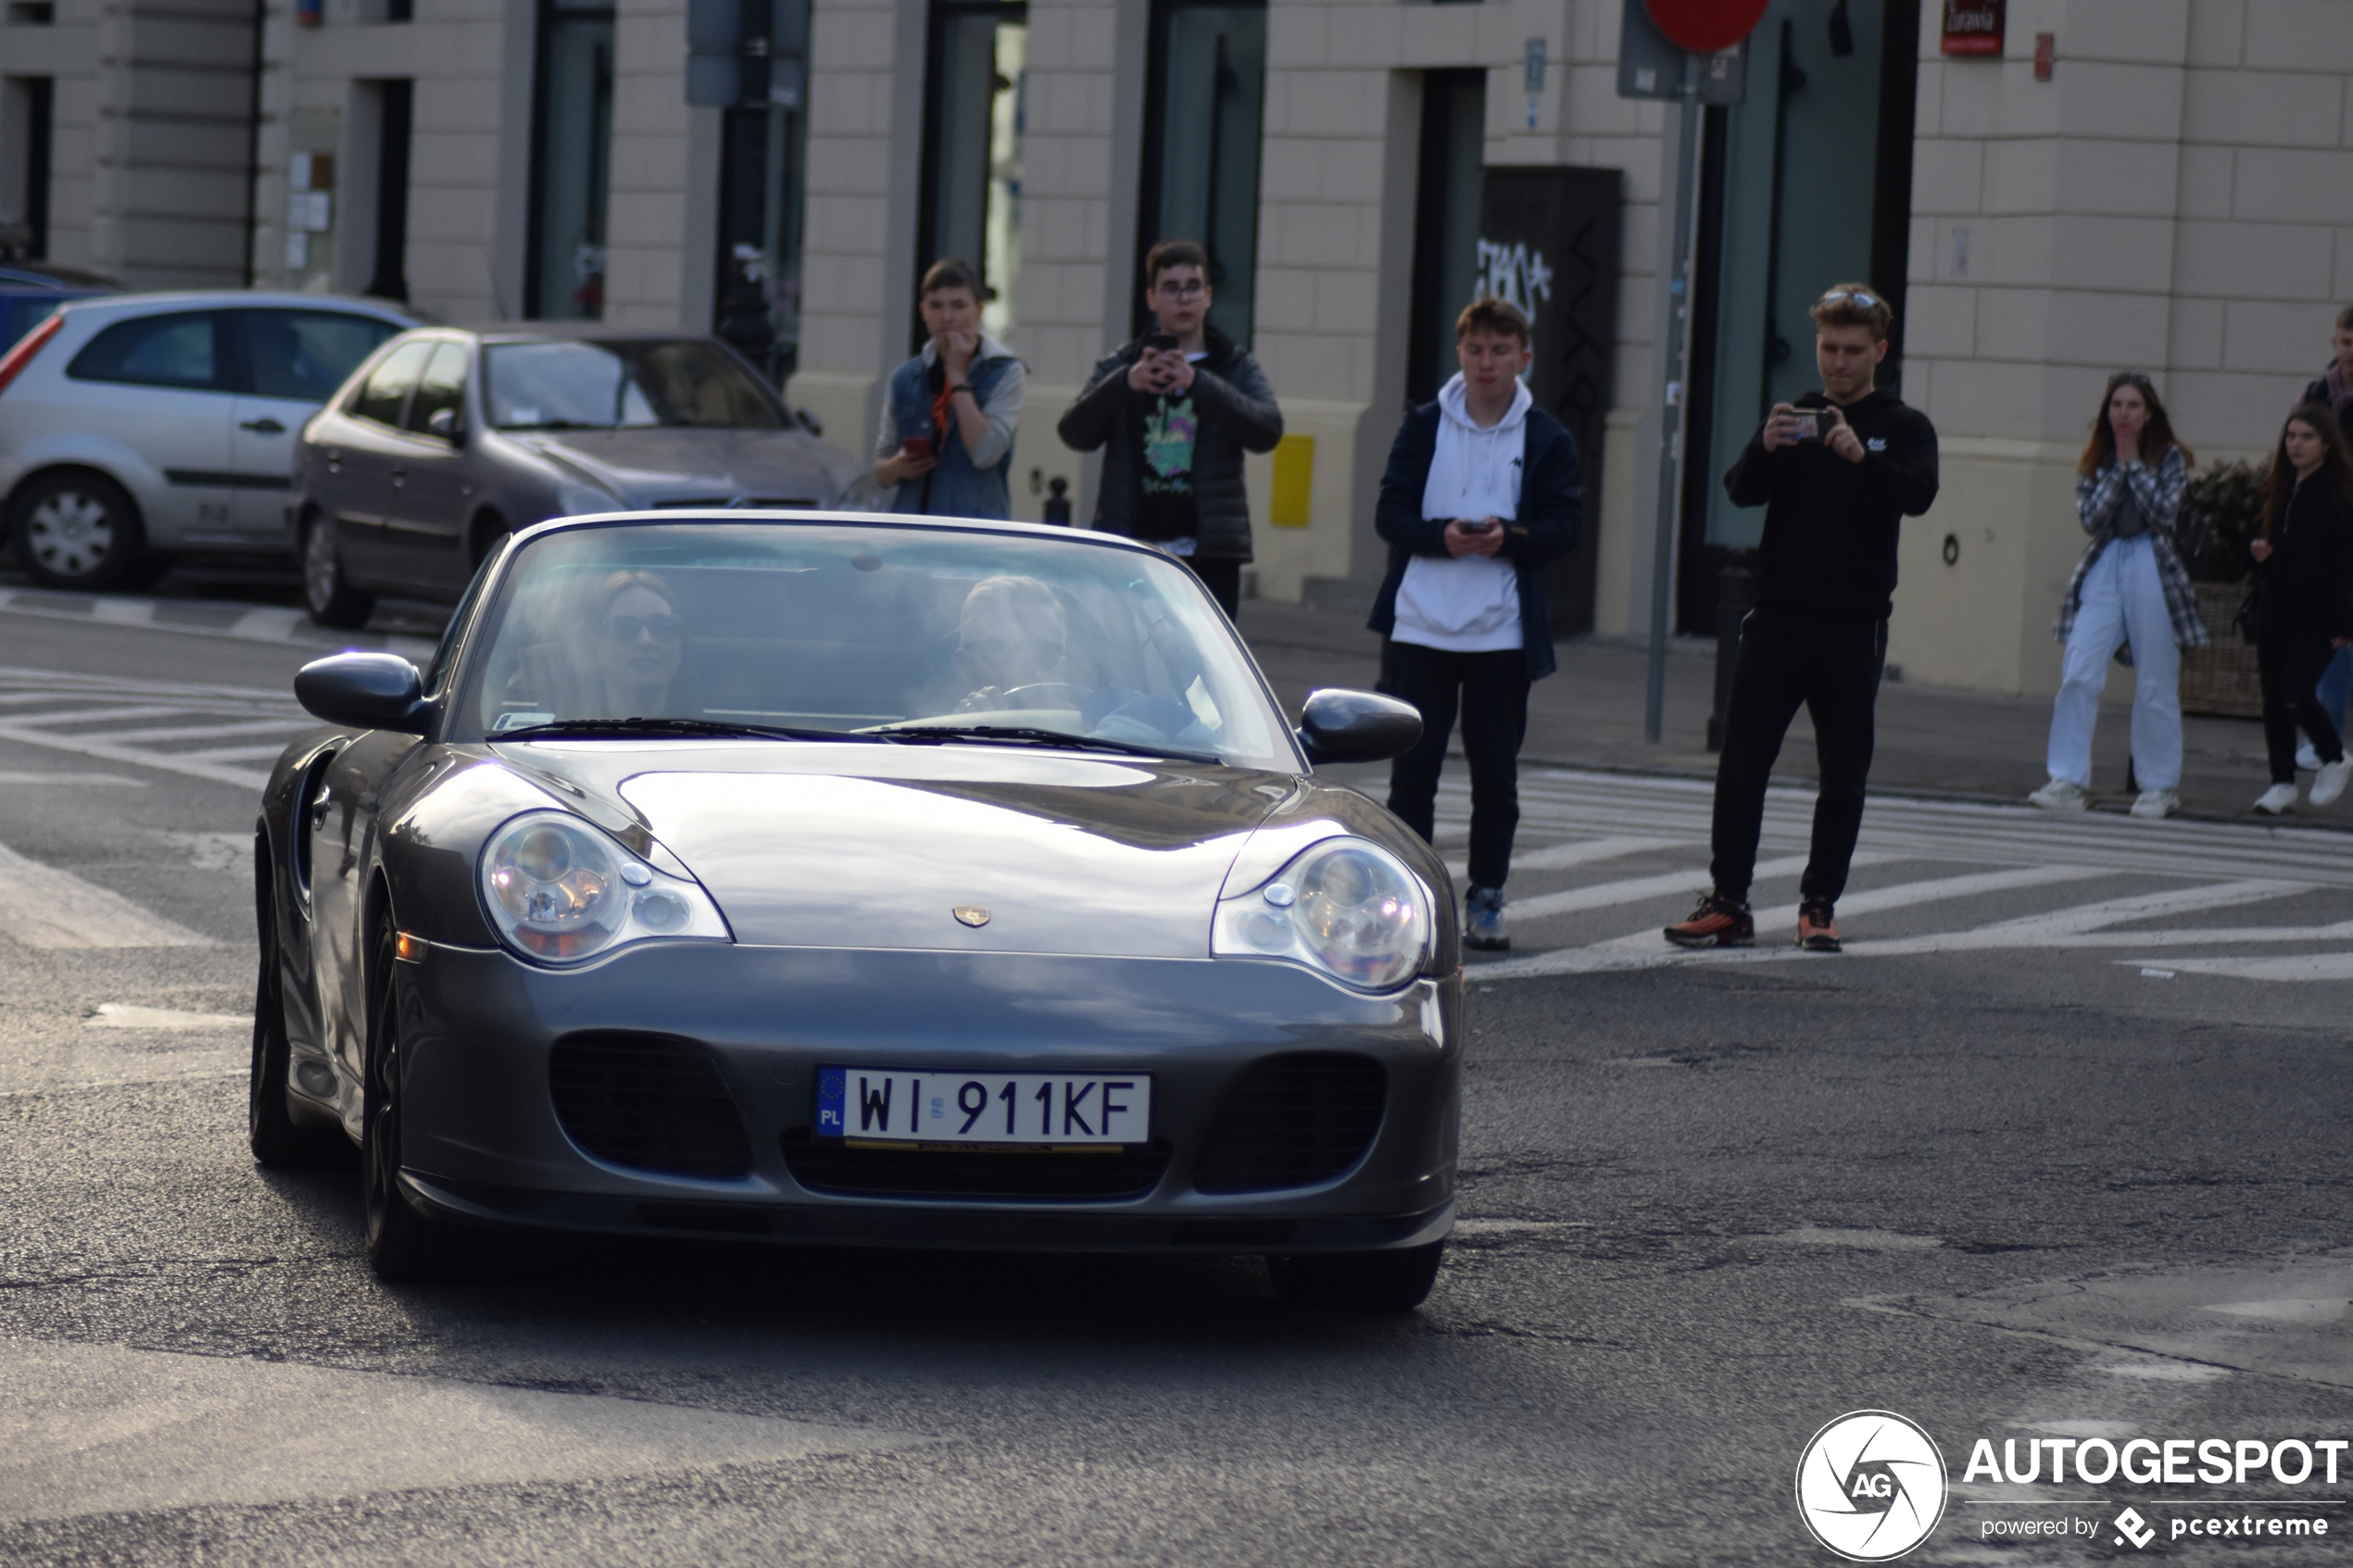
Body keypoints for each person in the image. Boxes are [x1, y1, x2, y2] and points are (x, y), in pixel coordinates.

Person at [1665, 284, 1938, 954]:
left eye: (1851, 351)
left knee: (1842, 771)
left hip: (1853, 624)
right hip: (1779, 616)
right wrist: (1765, 444)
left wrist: (1859, 456)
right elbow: (1739, 489)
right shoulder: (1799, 413)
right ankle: (1729, 898)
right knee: (1742, 761)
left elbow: (1919, 494)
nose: (1837, 363)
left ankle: (1819, 904)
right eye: (1827, 349)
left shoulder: (1903, 425)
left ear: (1880, 349)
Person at [1368, 296, 1581, 951]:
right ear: (1460, 354)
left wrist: (1506, 537)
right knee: (1414, 774)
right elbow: (1390, 512)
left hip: (1501, 633)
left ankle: (1487, 895)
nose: (1486, 363)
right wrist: (1442, 537)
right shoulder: (1425, 424)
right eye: (1475, 350)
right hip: (1422, 624)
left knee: (1495, 774)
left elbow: (1564, 528)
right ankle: (1407, 899)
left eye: (1500, 351)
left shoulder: (1545, 436)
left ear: (1524, 357)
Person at [1057, 239, 1283, 615]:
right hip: (1131, 550)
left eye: (1193, 287)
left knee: (1204, 671)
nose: (1183, 299)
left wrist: (1198, 383)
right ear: (1151, 299)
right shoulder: (1124, 364)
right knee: (1127, 661)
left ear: (1208, 296)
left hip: (1209, 554)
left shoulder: (1233, 365)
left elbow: (1268, 430)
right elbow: (1074, 433)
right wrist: (1125, 385)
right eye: (1171, 288)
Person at [2027, 373, 2204, 820]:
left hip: (2153, 561)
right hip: (2107, 562)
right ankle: (2066, 779)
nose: (2123, 413)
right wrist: (2118, 467)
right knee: (2080, 669)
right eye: (2117, 405)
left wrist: (2133, 468)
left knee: (2156, 678)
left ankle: (2160, 785)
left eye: (2133, 406)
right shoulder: (2096, 459)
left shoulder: (2168, 459)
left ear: (2149, 414)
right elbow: (2091, 517)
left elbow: (2164, 513)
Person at [2246, 404, 2353, 814]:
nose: (2296, 445)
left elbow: (2343, 561)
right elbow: (2253, 533)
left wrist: (2346, 618)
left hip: (2319, 608)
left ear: (2326, 444)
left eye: (2306, 437)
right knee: (2273, 697)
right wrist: (2256, 551)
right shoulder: (2277, 487)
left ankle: (2334, 756)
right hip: (2276, 601)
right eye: (2291, 436)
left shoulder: (2338, 495)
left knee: (2295, 690)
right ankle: (2281, 783)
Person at [873, 258, 1027, 519]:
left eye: (958, 306)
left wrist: (956, 375)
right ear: (923, 311)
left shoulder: (1006, 372)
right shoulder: (904, 377)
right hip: (913, 527)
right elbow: (881, 469)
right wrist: (896, 468)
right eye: (936, 306)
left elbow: (985, 453)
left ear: (978, 311)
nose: (947, 318)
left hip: (975, 530)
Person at [2297, 307, 2353, 764]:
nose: (2351, 353)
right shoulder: (2317, 394)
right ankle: (2325, 736)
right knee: (2334, 632)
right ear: (2334, 344)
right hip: (2324, 526)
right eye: (2346, 342)